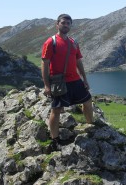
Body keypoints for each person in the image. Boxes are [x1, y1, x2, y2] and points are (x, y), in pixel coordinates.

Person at [41, 14, 93, 151]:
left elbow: (78, 61)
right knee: (56, 110)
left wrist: (85, 79)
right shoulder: (50, 42)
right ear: (57, 24)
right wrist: (46, 85)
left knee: (87, 102)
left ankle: (90, 126)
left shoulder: (73, 42)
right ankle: (55, 140)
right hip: (59, 82)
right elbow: (45, 64)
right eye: (63, 23)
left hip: (75, 80)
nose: (66, 25)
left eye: (68, 23)